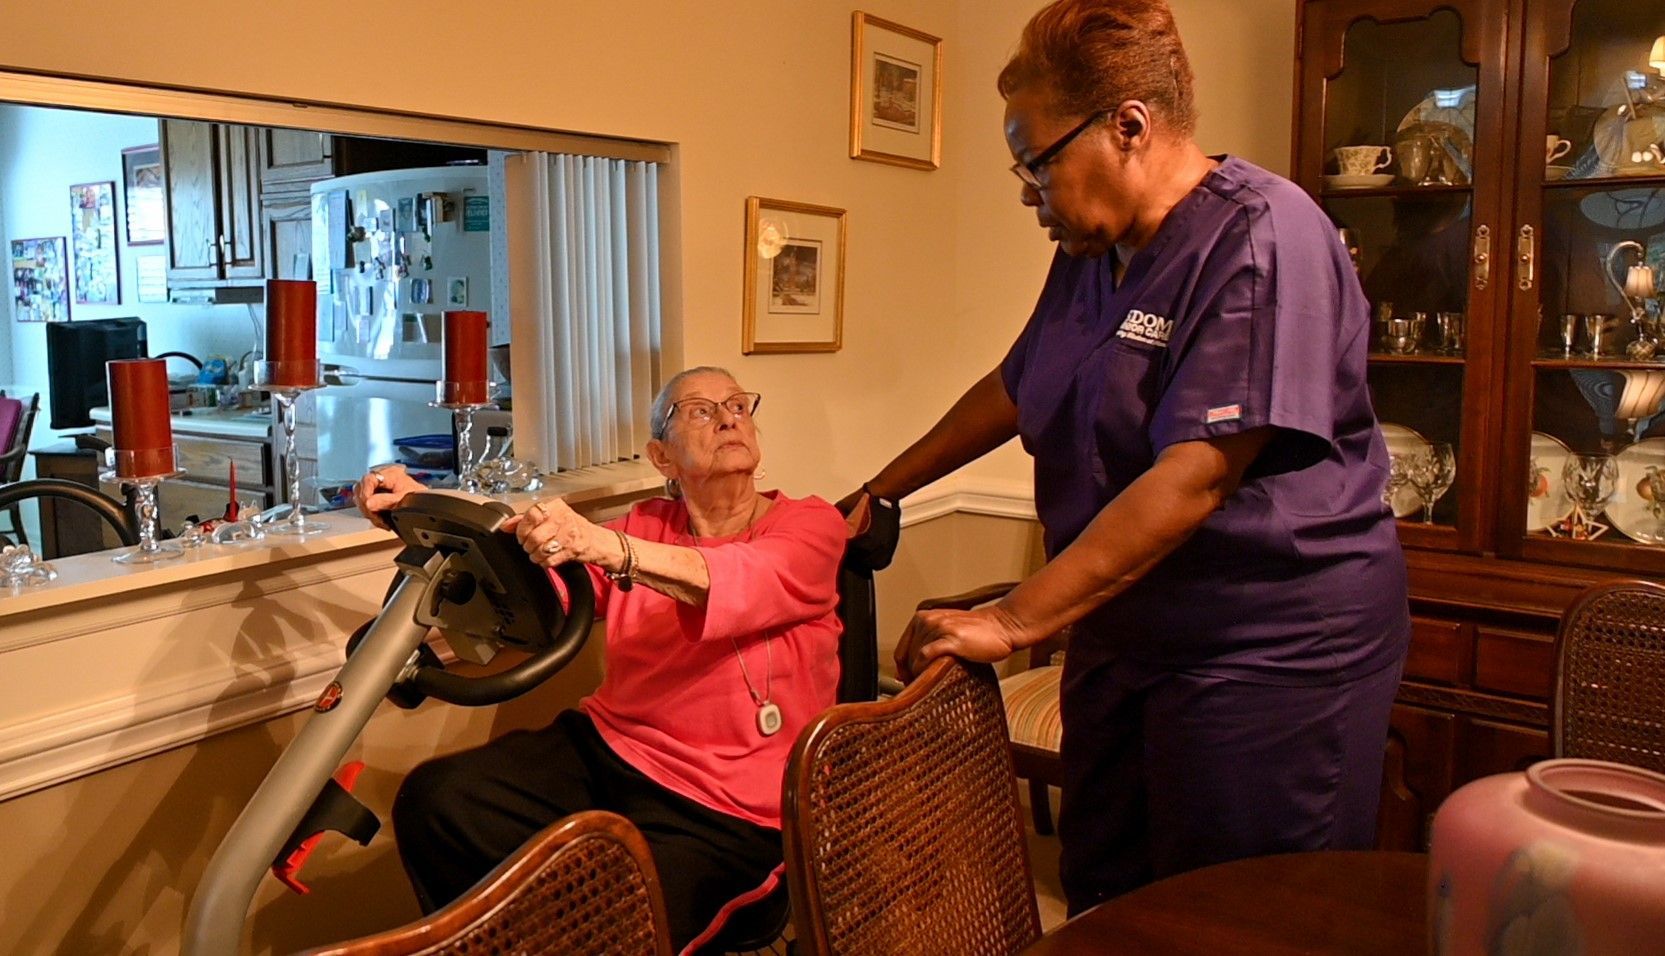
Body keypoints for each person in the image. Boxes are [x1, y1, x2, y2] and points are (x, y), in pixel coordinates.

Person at [844, 0, 1411, 914]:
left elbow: (1196, 475)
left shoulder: (1262, 237)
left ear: (1129, 126)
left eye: (1037, 163)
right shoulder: (1093, 245)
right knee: (1105, 885)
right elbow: (1019, 382)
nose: (1027, 192)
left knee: (1234, 912)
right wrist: (881, 489)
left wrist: (1012, 619)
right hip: (1125, 627)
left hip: (1264, 645)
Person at [355, 366, 845, 953]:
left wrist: (603, 545)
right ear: (662, 457)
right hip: (612, 749)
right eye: (701, 410)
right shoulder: (646, 525)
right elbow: (537, 580)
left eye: (738, 405)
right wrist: (421, 504)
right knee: (439, 801)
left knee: (619, 924)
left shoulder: (810, 524)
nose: (728, 419)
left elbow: (741, 577)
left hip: (730, 809)